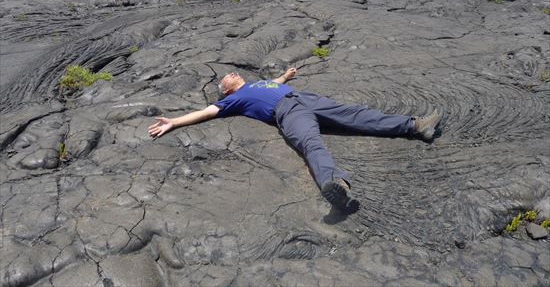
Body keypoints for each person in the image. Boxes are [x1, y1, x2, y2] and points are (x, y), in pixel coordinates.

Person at [148, 67, 442, 213]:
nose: (231, 74)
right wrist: (173, 121)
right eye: (227, 77)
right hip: (286, 112)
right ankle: (336, 184)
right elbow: (205, 112)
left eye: (232, 73)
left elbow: (274, 84)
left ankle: (415, 126)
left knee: (356, 114)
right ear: (226, 91)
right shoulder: (232, 101)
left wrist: (285, 75)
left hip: (302, 98)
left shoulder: (257, 83)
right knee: (310, 144)